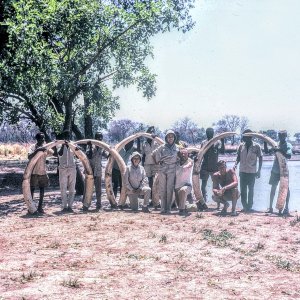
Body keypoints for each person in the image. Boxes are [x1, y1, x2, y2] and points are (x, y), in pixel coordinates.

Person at [234, 129, 262, 212]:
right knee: (243, 190)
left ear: (250, 137)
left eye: (246, 136)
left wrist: (259, 170)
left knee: (251, 190)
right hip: (242, 172)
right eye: (244, 136)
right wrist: (235, 164)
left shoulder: (256, 146)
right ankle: (245, 206)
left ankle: (249, 207)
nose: (244, 138)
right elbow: (238, 157)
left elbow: (260, 157)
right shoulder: (241, 146)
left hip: (252, 172)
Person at [265, 130, 292, 215]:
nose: (281, 137)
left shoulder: (288, 145)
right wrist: (265, 143)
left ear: (285, 136)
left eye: (282, 135)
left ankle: (286, 208)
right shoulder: (276, 144)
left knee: (286, 189)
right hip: (275, 170)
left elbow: (289, 155)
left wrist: (280, 150)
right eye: (279, 135)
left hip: (284, 171)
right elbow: (267, 152)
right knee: (273, 188)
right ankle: (270, 207)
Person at [152, 130, 179, 214]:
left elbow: (182, 155)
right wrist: (157, 162)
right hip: (163, 169)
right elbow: (153, 154)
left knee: (170, 189)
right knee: (162, 189)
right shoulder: (162, 147)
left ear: (174, 138)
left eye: (172, 136)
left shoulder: (177, 147)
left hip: (172, 169)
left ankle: (168, 208)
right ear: (166, 138)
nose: (170, 138)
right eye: (168, 137)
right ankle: (163, 208)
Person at [28, 132, 53, 214]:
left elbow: (52, 152)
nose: (43, 139)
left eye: (43, 138)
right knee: (32, 189)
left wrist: (48, 147)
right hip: (34, 172)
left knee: (42, 189)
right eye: (41, 138)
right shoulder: (32, 147)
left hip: (43, 171)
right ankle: (31, 208)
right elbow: (29, 156)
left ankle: (40, 207)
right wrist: (37, 150)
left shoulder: (45, 147)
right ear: (37, 139)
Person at [200, 128, 225, 205]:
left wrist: (223, 141)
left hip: (214, 168)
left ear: (213, 133)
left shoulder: (217, 142)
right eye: (208, 132)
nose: (209, 134)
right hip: (205, 167)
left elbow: (222, 151)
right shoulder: (203, 142)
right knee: (203, 186)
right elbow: (200, 154)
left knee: (216, 185)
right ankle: (203, 202)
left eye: (211, 132)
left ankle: (218, 203)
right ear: (206, 133)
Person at [85, 132, 109, 210]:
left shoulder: (102, 147)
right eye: (98, 137)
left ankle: (98, 204)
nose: (99, 139)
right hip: (90, 171)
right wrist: (90, 145)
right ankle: (85, 205)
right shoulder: (90, 146)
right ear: (95, 138)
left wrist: (111, 150)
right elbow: (89, 156)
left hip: (98, 171)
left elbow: (107, 156)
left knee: (98, 189)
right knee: (88, 188)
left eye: (101, 137)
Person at [57, 130, 78, 213]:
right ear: (63, 137)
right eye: (66, 136)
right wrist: (63, 145)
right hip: (63, 169)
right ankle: (64, 206)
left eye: (69, 136)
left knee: (72, 188)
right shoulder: (59, 144)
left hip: (72, 168)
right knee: (63, 188)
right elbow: (59, 153)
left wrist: (73, 146)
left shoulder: (74, 144)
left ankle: (70, 206)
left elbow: (78, 155)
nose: (67, 137)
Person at [140, 126, 160, 205]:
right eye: (149, 132)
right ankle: (148, 200)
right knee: (148, 182)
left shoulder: (157, 142)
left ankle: (155, 200)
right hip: (147, 165)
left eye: (152, 132)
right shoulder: (144, 144)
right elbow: (142, 154)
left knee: (155, 182)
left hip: (156, 165)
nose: (150, 134)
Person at [174, 149, 193, 216]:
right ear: (179, 155)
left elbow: (189, 165)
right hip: (176, 187)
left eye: (185, 153)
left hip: (187, 185)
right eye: (182, 153)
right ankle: (184, 207)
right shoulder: (176, 163)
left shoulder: (190, 161)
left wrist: (187, 166)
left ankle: (182, 211)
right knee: (179, 204)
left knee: (183, 190)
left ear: (188, 155)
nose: (183, 155)